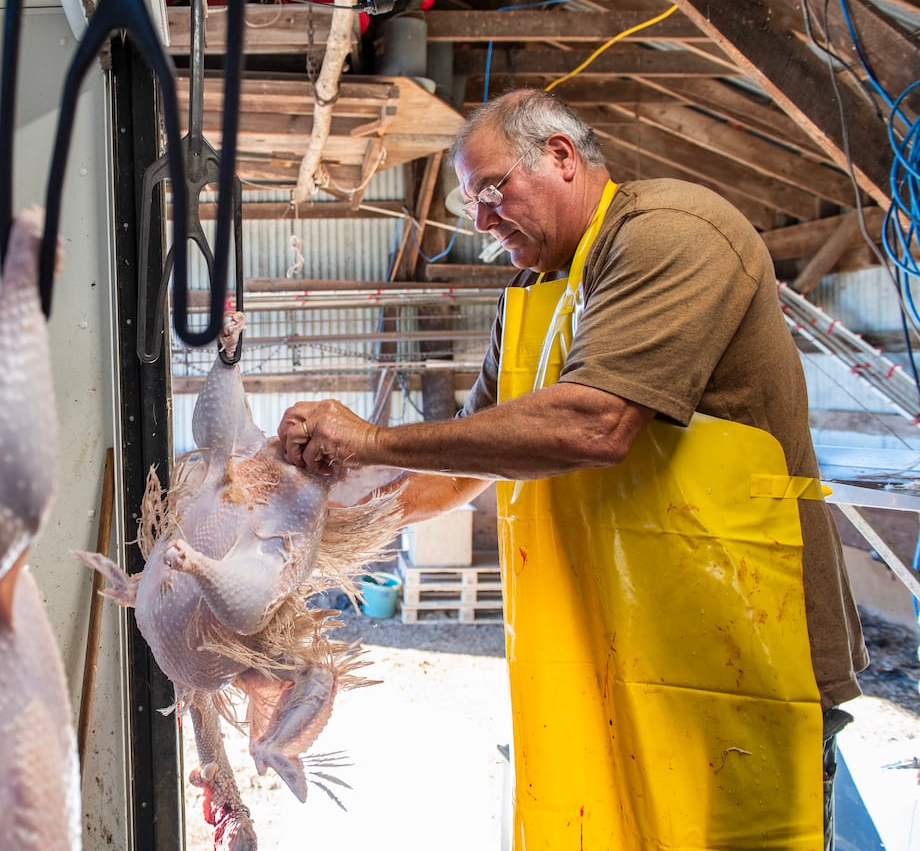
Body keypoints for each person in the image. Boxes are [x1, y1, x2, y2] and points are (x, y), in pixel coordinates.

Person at [279, 89, 868, 849]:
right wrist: (315, 512)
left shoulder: (670, 232)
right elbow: (465, 464)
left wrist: (374, 439)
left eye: (491, 191)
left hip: (738, 652)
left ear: (560, 155)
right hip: (611, 647)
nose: (483, 222)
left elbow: (596, 424)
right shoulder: (531, 296)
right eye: (471, 206)